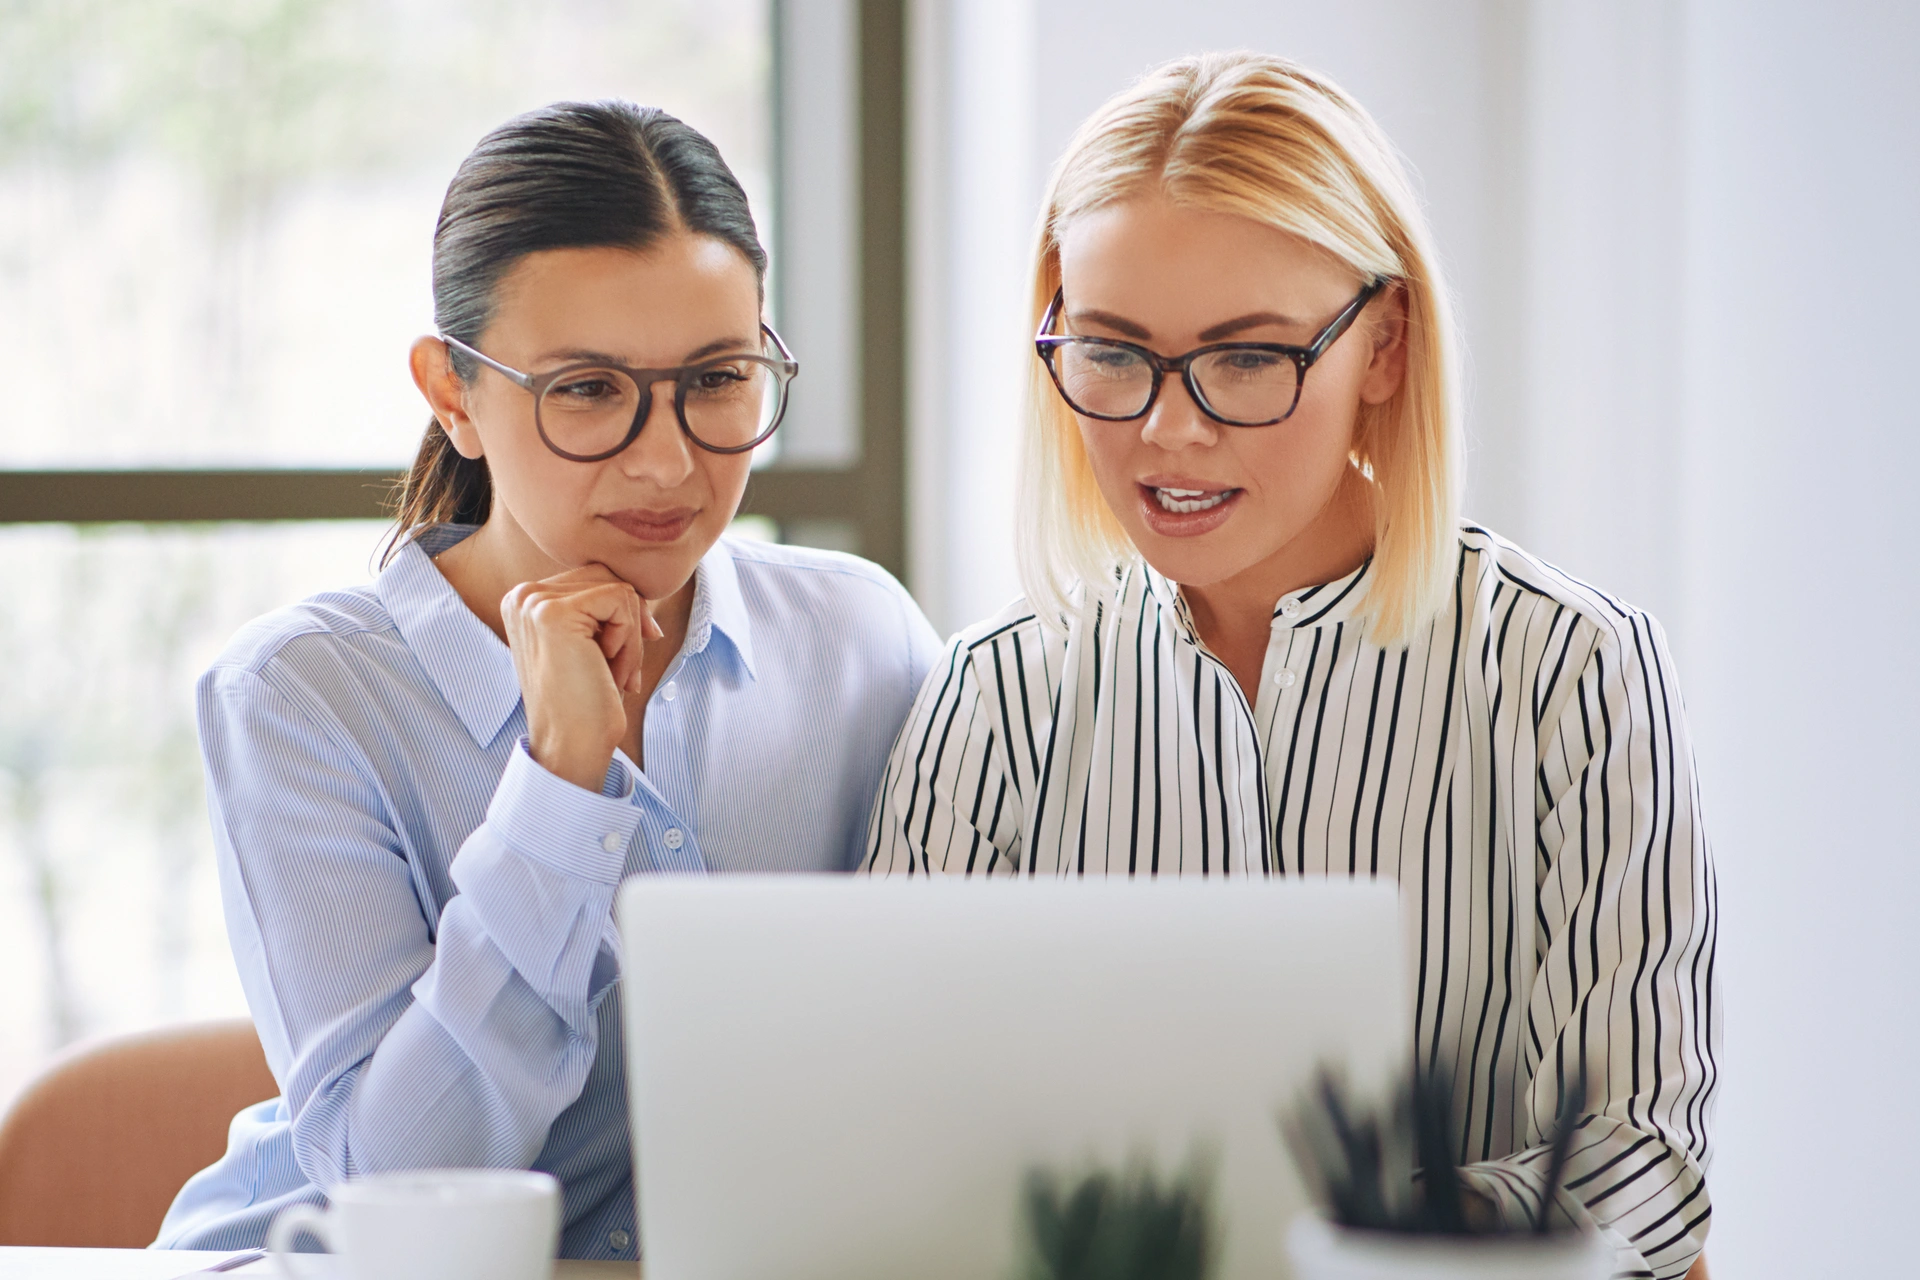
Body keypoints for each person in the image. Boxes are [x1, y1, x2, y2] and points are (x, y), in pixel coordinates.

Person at [866, 53, 1716, 1280]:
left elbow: (1642, 1174)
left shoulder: (1570, 673)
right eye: (1111, 352)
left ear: (1382, 346)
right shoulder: (996, 692)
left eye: (1248, 357)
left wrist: (1309, 1242)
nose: (1170, 428)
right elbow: (890, 1119)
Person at [159, 101, 940, 1257]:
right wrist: (561, 789)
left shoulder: (857, 637)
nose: (670, 459)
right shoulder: (302, 694)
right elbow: (402, 1183)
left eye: (719, 378)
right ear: (452, 394)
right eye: (586, 390)